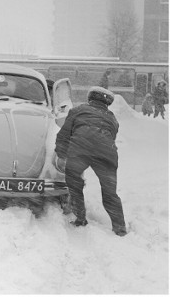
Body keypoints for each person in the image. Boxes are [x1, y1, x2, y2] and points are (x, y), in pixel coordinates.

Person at [54, 86, 127, 236]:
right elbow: (111, 136)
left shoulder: (78, 111)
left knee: (74, 183)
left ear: (90, 99)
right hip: (107, 154)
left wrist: (61, 155)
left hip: (81, 149)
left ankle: (80, 218)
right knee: (110, 193)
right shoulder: (112, 118)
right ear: (106, 104)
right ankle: (120, 229)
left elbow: (64, 135)